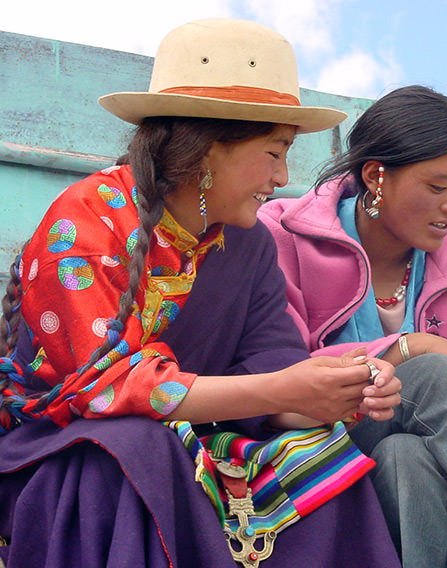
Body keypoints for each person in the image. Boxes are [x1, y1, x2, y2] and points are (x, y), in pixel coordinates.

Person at [0, 18, 405, 568]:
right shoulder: (86, 218)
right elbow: (101, 390)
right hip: (59, 442)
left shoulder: (251, 244)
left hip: (197, 437)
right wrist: (280, 390)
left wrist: (334, 392)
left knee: (321, 452)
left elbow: (272, 363)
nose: (283, 175)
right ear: (207, 148)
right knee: (136, 448)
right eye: (274, 151)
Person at [258, 85, 447, 568]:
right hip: (305, 441)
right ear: (376, 176)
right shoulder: (282, 235)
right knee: (440, 372)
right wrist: (407, 346)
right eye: (437, 187)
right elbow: (277, 370)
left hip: (394, 464)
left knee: (405, 460)